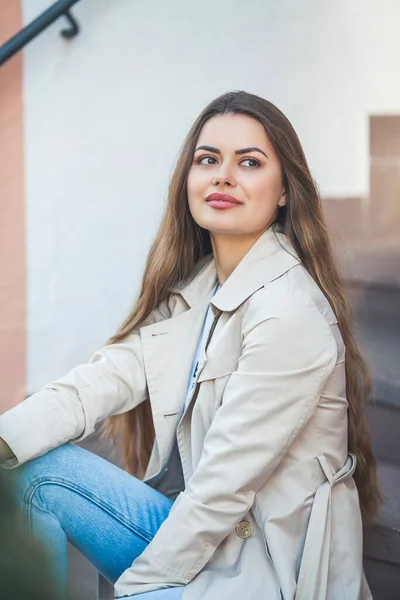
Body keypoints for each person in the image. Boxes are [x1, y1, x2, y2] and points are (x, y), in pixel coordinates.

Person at [0, 90, 381, 600]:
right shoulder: (200, 289)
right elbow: (100, 381)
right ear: (189, 179)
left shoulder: (288, 313)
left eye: (249, 162)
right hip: (205, 538)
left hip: (262, 571)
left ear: (285, 190)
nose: (223, 175)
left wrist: (134, 589)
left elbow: (220, 492)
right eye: (208, 160)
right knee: (28, 471)